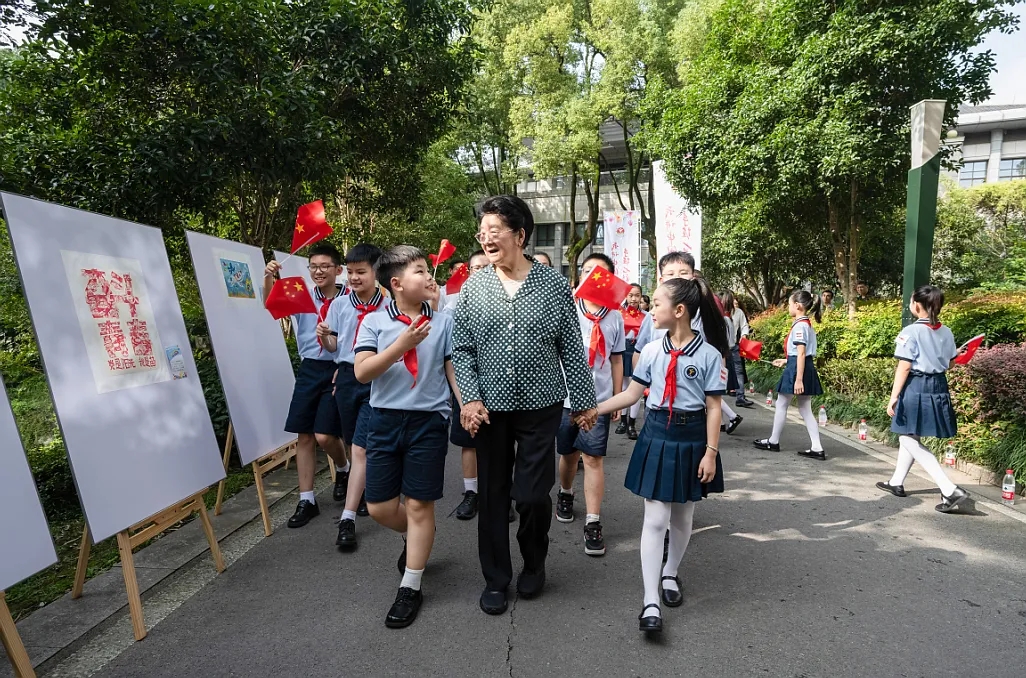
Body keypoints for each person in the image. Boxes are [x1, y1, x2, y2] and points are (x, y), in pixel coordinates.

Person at [452, 195, 597, 616]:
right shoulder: (475, 287)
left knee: (532, 496)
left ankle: (534, 562)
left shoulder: (552, 285)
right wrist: (471, 397)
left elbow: (571, 346)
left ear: (520, 234)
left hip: (541, 407)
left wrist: (584, 402)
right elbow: (461, 349)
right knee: (493, 496)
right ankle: (496, 578)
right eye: (483, 231)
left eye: (494, 229)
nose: (486, 237)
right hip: (490, 411)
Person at [594, 277, 727, 633]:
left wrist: (711, 453)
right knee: (655, 519)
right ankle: (650, 599)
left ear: (679, 310)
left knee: (683, 516)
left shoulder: (710, 356)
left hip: (694, 437)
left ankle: (671, 572)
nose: (650, 308)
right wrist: (595, 409)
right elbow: (631, 394)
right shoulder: (651, 350)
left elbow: (714, 407)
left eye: (656, 303)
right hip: (657, 432)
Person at [353, 246, 459, 628]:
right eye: (419, 270)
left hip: (429, 421)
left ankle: (410, 585)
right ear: (396, 284)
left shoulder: (444, 322)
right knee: (380, 507)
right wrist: (401, 345)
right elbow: (362, 373)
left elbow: (451, 368)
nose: (428, 275)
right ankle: (417, 537)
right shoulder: (374, 323)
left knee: (418, 505)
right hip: (383, 420)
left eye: (428, 269)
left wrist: (467, 406)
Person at [263, 243, 350, 529]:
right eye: (313, 266)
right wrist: (268, 278)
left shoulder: (349, 299)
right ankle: (307, 498)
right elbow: (270, 305)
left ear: (339, 270)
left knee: (325, 435)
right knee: (304, 436)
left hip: (338, 368)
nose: (318, 271)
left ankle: (343, 468)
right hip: (310, 369)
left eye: (325, 266)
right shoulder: (299, 293)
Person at [876, 285, 970, 513]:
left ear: (916, 305)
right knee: (910, 433)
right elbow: (949, 363)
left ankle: (949, 489)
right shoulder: (946, 331)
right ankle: (896, 482)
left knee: (907, 438)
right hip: (938, 385)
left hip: (916, 386)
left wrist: (893, 397)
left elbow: (904, 366)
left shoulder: (911, 331)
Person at [555, 252, 625, 557]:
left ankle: (593, 522)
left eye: (600, 273)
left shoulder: (615, 316)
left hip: (598, 401)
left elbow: (616, 358)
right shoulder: (567, 307)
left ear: (609, 280)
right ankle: (566, 493)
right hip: (564, 398)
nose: (592, 276)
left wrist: (617, 398)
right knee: (568, 455)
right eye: (586, 271)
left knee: (594, 459)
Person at [318, 243, 385, 548]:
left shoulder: (390, 306)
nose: (354, 278)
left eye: (361, 271)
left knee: (361, 448)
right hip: (346, 376)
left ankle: (347, 519)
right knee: (350, 441)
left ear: (376, 271)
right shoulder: (340, 305)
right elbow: (334, 348)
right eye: (350, 272)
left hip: (376, 378)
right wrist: (325, 338)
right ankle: (361, 489)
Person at [634, 252, 743, 435]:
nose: (677, 277)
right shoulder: (653, 320)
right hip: (657, 409)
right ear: (661, 279)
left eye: (683, 272)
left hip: (694, 411)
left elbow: (718, 357)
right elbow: (639, 354)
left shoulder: (707, 316)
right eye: (670, 273)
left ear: (693, 276)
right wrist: (646, 384)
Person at [753, 290, 826, 460]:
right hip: (802, 365)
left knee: (782, 403)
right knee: (804, 408)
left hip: (798, 369)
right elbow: (802, 354)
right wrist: (785, 361)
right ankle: (816, 447)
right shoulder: (805, 323)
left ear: (798, 306)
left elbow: (801, 353)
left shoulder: (800, 325)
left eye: (790, 304)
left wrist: (798, 379)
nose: (788, 307)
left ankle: (774, 441)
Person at [452, 250, 491, 521]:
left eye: (485, 266)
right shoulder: (455, 304)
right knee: (469, 440)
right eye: (475, 267)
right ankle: (471, 492)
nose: (480, 271)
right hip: (466, 381)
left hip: (498, 383)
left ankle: (499, 492)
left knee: (499, 440)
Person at [616, 283, 647, 440]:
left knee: (636, 387)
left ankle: (632, 423)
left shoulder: (646, 316)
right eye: (630, 295)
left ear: (641, 296)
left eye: (637, 295)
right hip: (622, 352)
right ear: (626, 296)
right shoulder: (618, 313)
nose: (634, 298)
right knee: (623, 387)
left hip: (638, 352)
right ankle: (622, 420)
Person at [725, 290, 754, 407]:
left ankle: (740, 397)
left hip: (733, 346)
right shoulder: (718, 311)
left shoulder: (738, 312)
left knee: (739, 371)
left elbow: (744, 325)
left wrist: (744, 335)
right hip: (719, 347)